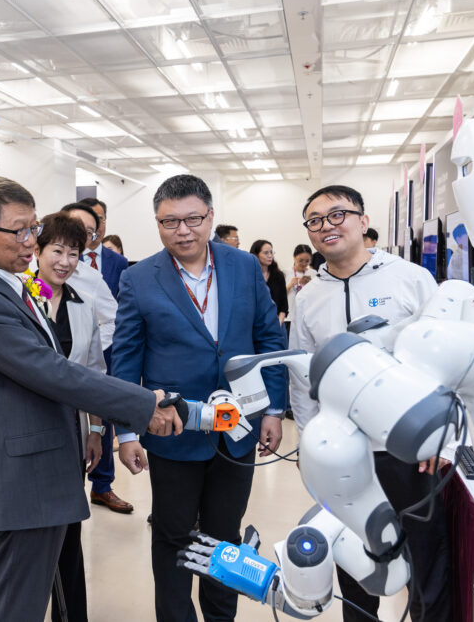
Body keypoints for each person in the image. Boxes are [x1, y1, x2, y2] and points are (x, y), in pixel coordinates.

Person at [0, 176, 182, 622]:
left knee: (30, 600)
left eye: (33, 227)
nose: (31, 241)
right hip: (20, 482)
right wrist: (142, 404)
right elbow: (52, 372)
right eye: (21, 231)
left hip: (38, 471)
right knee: (16, 608)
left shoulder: (8, 283)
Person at [112, 174, 287, 622]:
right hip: (174, 430)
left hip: (239, 429)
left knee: (223, 538)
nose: (183, 230)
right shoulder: (138, 277)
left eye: (193, 218)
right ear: (157, 223)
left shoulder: (243, 267)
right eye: (170, 222)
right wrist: (127, 430)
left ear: (211, 216)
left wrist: (273, 408)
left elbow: (270, 338)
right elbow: (127, 358)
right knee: (171, 536)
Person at [288, 185, 450, 622]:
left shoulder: (409, 278)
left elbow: (442, 363)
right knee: (356, 562)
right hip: (344, 456)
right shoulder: (307, 297)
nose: (326, 226)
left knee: (425, 560)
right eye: (315, 220)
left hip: (409, 449)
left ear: (363, 220)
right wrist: (309, 448)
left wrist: (444, 442)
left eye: (337, 214)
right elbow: (303, 377)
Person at [33, 213, 108, 622]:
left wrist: (95, 429)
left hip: (70, 435)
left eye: (74, 253)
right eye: (57, 250)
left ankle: (70, 614)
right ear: (38, 251)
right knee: (31, 535)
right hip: (26, 435)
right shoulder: (18, 296)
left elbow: (94, 372)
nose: (64, 261)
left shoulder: (84, 305)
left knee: (70, 528)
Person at [65, 200, 132, 514]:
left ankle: (100, 486)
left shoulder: (93, 275)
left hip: (89, 370)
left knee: (95, 426)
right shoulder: (30, 276)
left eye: (89, 231)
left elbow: (114, 317)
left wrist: (91, 342)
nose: (81, 236)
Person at [249, 239, 289, 324]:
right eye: (266, 253)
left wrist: (278, 323)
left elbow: (283, 304)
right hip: (255, 325)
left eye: (271, 252)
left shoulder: (278, 276)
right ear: (256, 255)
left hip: (276, 323)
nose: (270, 255)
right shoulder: (249, 276)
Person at [284, 243, 314, 339]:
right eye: (300, 260)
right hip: (289, 318)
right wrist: (290, 285)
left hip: (308, 318)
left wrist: (311, 285)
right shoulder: (285, 273)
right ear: (294, 257)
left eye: (307, 261)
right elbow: (278, 297)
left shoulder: (313, 274)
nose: (304, 264)